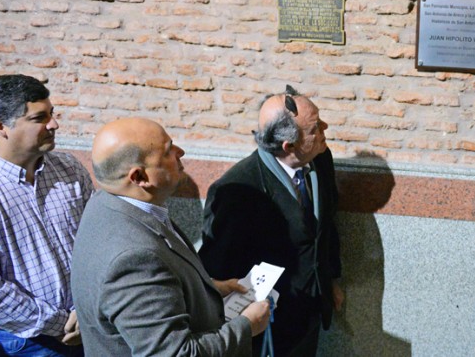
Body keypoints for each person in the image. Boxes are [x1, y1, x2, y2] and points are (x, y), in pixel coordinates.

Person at [70, 118, 270, 356]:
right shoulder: (134, 259)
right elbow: (174, 353)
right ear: (139, 178)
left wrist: (209, 289)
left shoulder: (107, 203)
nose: (180, 152)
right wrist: (247, 326)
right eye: (168, 151)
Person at [199, 86, 344, 357]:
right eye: (315, 128)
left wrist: (331, 278)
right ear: (289, 146)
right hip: (268, 327)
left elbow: (326, 223)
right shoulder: (236, 190)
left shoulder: (321, 157)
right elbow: (219, 266)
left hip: (311, 310)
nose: (325, 127)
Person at [0, 74, 93, 356]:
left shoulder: (69, 169)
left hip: (89, 324)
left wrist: (88, 311)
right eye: (39, 118)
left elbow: (99, 244)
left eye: (52, 114)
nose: (54, 124)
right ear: (0, 126)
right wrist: (60, 324)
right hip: (25, 342)